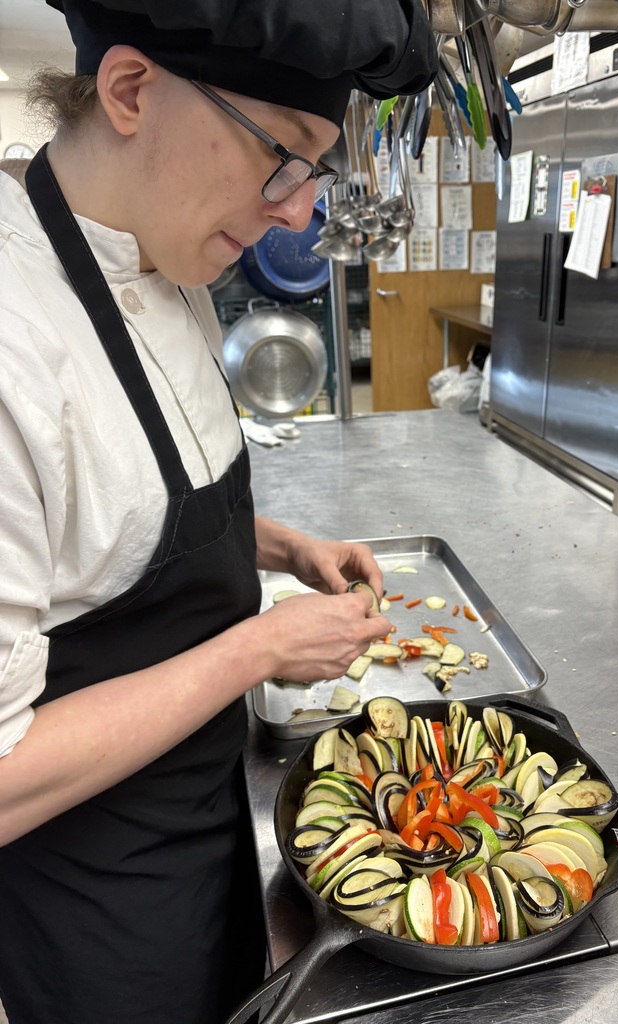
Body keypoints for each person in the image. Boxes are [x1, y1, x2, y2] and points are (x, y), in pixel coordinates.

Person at [0, 2, 437, 1022]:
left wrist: (277, 545)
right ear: (131, 91)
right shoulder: (14, 348)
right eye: (282, 156)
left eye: (312, 173)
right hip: (103, 922)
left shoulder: (167, 255)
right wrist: (256, 648)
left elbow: (119, 515)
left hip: (213, 831)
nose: (298, 213)